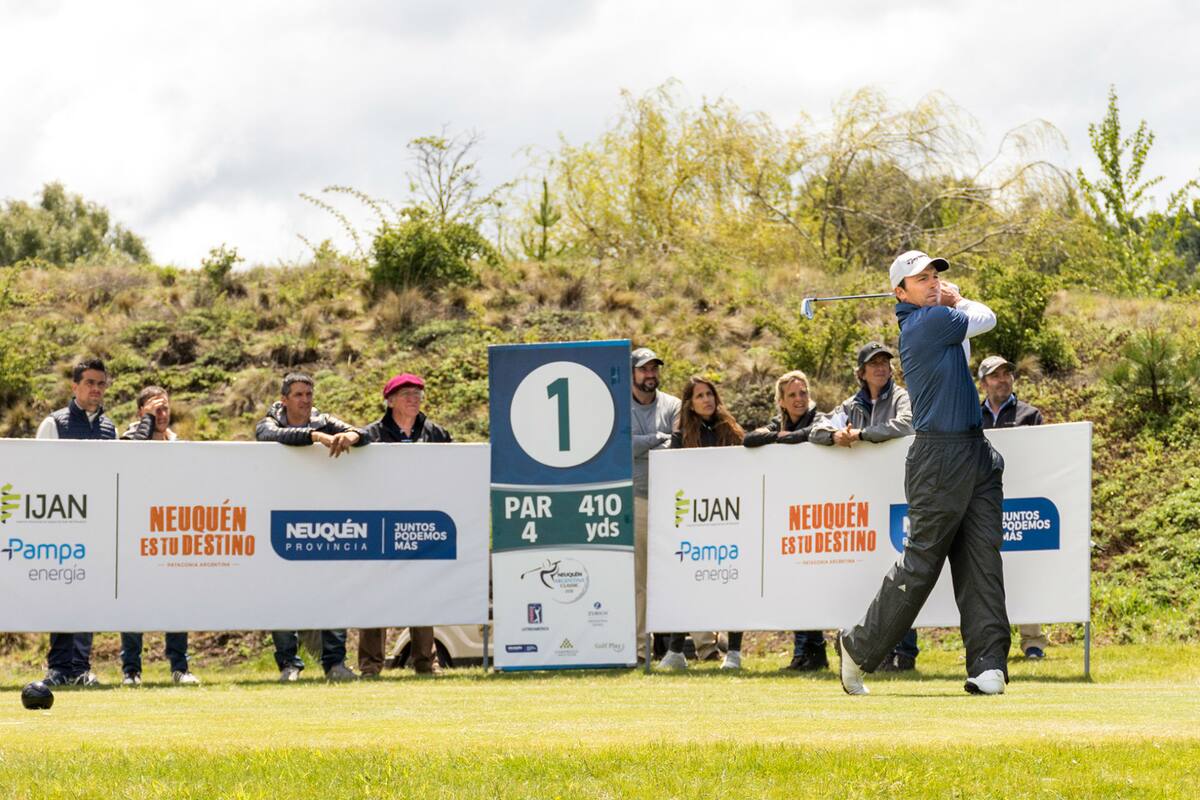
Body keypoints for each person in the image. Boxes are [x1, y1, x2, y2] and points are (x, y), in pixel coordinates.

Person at [837, 251, 1010, 696]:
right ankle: (857, 648)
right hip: (939, 457)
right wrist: (958, 298)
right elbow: (986, 318)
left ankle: (988, 664)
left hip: (975, 450)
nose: (933, 283)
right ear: (901, 293)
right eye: (921, 279)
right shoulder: (925, 324)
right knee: (922, 564)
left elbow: (972, 332)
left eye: (935, 276)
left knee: (982, 559)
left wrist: (951, 300)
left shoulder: (939, 317)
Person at [812, 342, 917, 672]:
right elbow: (818, 428)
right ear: (861, 372)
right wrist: (835, 436)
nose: (881, 368)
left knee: (902, 570)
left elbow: (906, 424)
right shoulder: (851, 404)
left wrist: (862, 434)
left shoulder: (900, 395)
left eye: (885, 362)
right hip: (866, 500)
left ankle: (907, 653)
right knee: (875, 577)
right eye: (874, 364)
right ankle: (879, 650)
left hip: (900, 493)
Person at [256, 372, 367, 681]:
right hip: (278, 521)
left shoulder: (324, 419)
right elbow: (269, 438)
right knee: (282, 596)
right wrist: (316, 437)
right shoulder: (269, 422)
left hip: (323, 520)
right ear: (284, 400)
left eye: (308, 394)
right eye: (298, 395)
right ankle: (289, 665)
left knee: (334, 591)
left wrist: (352, 437)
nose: (305, 400)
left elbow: (363, 432)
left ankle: (335, 665)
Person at [358, 372, 452, 677]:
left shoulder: (435, 433)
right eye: (407, 394)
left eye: (418, 394)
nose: (414, 399)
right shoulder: (371, 434)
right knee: (375, 595)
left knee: (422, 593)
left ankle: (426, 662)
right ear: (390, 401)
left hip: (423, 525)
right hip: (380, 525)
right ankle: (371, 665)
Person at [36, 357, 116, 687]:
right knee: (62, 593)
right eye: (89, 383)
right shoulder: (53, 424)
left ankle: (81, 668)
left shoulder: (109, 427)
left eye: (101, 383)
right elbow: (38, 474)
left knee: (87, 595)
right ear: (75, 386)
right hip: (61, 524)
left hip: (95, 524)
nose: (96, 389)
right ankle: (58, 668)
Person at [659, 376, 747, 671]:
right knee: (686, 584)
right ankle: (675, 652)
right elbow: (674, 478)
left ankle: (734, 652)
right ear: (690, 404)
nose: (707, 399)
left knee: (734, 585)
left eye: (710, 394)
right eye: (700, 396)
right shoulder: (681, 436)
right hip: (694, 522)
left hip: (729, 518)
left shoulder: (731, 429)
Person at [743, 369, 828, 671]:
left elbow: (809, 436)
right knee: (797, 582)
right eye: (792, 394)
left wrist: (778, 439)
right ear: (781, 400)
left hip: (819, 507)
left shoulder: (820, 417)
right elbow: (750, 439)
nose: (799, 399)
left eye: (803, 392)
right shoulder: (777, 423)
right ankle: (808, 652)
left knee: (812, 581)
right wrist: (777, 435)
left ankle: (811, 651)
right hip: (790, 510)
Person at [118, 386, 200, 686]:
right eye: (155, 409)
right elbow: (134, 461)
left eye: (165, 408)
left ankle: (180, 667)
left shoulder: (178, 443)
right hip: (134, 530)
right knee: (134, 603)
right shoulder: (128, 438)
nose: (162, 414)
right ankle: (131, 671)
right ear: (141, 411)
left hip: (170, 531)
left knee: (176, 601)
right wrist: (147, 423)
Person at [979, 354, 1049, 660]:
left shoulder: (1029, 415)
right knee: (982, 573)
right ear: (983, 383)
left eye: (1007, 374)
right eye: (995, 376)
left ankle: (1033, 642)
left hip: (1022, 504)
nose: (1003, 380)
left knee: (1026, 571)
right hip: (981, 504)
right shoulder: (971, 415)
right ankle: (985, 642)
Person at [629, 347, 683, 662]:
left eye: (654, 369)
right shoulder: (619, 408)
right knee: (639, 582)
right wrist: (656, 438)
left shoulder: (673, 404)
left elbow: (676, 442)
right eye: (644, 370)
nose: (650, 375)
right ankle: (639, 650)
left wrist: (647, 441)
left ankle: (699, 645)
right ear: (632, 374)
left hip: (672, 501)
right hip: (637, 498)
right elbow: (622, 446)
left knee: (678, 575)